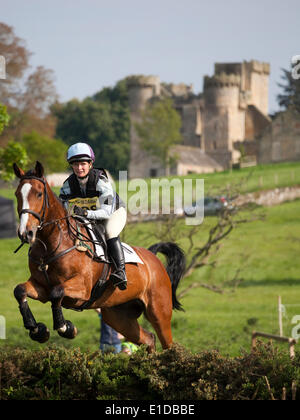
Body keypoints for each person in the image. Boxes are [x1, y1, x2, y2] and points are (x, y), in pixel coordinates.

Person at [59, 142, 127, 290]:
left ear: (90, 164)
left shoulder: (101, 181)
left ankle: (120, 272)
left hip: (113, 213)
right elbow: (63, 212)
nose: (79, 168)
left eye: (83, 164)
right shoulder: (67, 186)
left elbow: (107, 212)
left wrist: (85, 213)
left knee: (110, 232)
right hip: (87, 218)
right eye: (75, 164)